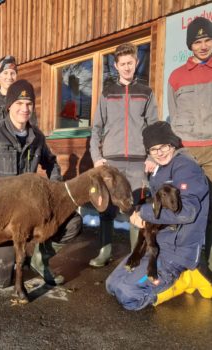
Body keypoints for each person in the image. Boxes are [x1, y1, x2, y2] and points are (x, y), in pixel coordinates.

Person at [0, 79, 82, 288]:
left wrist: (56, 188)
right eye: (19, 104)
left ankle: (41, 259)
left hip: (27, 210)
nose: (24, 109)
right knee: (2, 280)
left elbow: (51, 163)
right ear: (9, 106)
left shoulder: (36, 137)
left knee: (73, 221)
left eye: (29, 104)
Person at [106, 121, 212, 310]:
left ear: (172, 143)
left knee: (129, 296)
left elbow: (187, 212)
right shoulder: (160, 171)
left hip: (177, 253)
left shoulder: (186, 168)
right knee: (112, 285)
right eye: (153, 149)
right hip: (156, 248)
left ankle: (184, 278)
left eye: (163, 146)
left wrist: (143, 213)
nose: (159, 152)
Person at [89, 42, 158, 268]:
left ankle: (134, 256)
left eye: (130, 63)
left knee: (136, 209)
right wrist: (97, 157)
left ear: (136, 63)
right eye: (122, 64)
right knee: (106, 208)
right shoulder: (107, 93)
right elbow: (96, 127)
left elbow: (153, 128)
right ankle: (104, 251)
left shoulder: (146, 92)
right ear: (116, 66)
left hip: (139, 162)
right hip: (112, 162)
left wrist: (152, 157)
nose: (127, 67)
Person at [168, 16, 212, 272]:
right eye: (198, 42)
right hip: (188, 152)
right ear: (190, 45)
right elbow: (173, 117)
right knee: (187, 208)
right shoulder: (176, 77)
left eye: (207, 40)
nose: (204, 46)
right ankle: (184, 264)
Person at [0, 55, 37, 126]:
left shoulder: (24, 99)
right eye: (5, 73)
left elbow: (33, 128)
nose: (9, 77)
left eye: (12, 73)